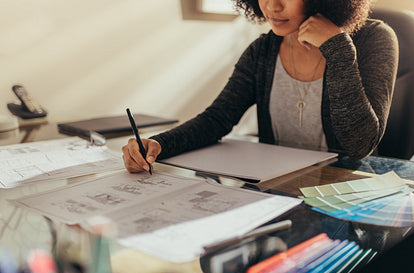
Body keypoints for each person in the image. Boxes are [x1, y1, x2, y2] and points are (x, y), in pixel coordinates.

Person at [122, 0, 398, 173]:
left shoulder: (374, 40)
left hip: (346, 193)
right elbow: (217, 118)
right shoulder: (263, 51)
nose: (272, 6)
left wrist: (337, 49)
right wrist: (159, 143)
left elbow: (359, 145)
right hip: (278, 192)